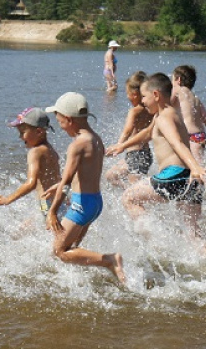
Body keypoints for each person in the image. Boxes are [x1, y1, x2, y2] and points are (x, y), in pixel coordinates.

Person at [107, 73, 206, 251]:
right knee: (193, 235)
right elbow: (147, 133)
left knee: (128, 198)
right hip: (190, 180)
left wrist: (195, 166)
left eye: (145, 97)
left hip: (175, 174)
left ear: (156, 95)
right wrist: (122, 146)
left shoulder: (163, 118)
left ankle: (158, 244)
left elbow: (177, 143)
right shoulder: (167, 114)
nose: (143, 101)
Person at [42, 92, 126, 284]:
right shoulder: (96, 139)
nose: (60, 126)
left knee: (60, 251)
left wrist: (52, 211)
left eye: (59, 120)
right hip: (95, 202)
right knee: (72, 249)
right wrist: (59, 184)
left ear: (69, 119)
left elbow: (67, 181)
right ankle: (86, 278)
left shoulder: (77, 144)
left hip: (81, 204)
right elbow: (87, 171)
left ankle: (110, 260)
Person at [0, 107, 67, 227]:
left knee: (53, 234)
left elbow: (31, 183)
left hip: (45, 203)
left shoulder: (35, 152)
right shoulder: (50, 149)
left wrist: (8, 200)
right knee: (25, 228)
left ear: (38, 132)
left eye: (23, 133)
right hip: (59, 201)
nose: (20, 137)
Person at [105, 71, 154, 188]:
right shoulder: (151, 109)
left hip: (136, 155)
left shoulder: (134, 111)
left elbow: (127, 131)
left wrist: (118, 145)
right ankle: (130, 191)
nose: (127, 97)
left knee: (134, 189)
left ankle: (134, 196)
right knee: (110, 175)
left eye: (127, 93)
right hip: (143, 154)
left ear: (134, 94)